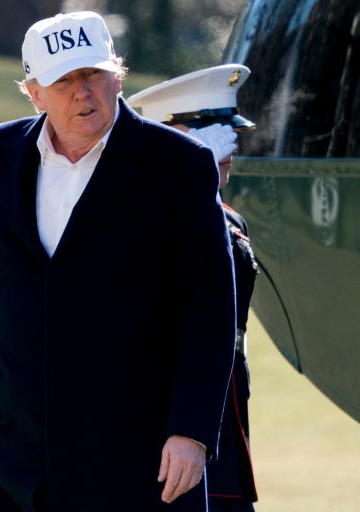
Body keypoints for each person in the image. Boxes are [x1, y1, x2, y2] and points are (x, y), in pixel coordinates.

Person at [0, 11, 237, 512]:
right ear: (33, 92)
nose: (82, 93)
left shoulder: (179, 165)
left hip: (140, 465)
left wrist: (191, 432)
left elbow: (211, 310)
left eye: (92, 74)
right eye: (63, 80)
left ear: (118, 76)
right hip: (18, 464)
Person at [127, 64, 259, 512]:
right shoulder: (147, 219)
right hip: (171, 428)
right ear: (176, 137)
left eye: (231, 131)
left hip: (223, 418)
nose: (232, 145)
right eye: (213, 131)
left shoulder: (228, 216)